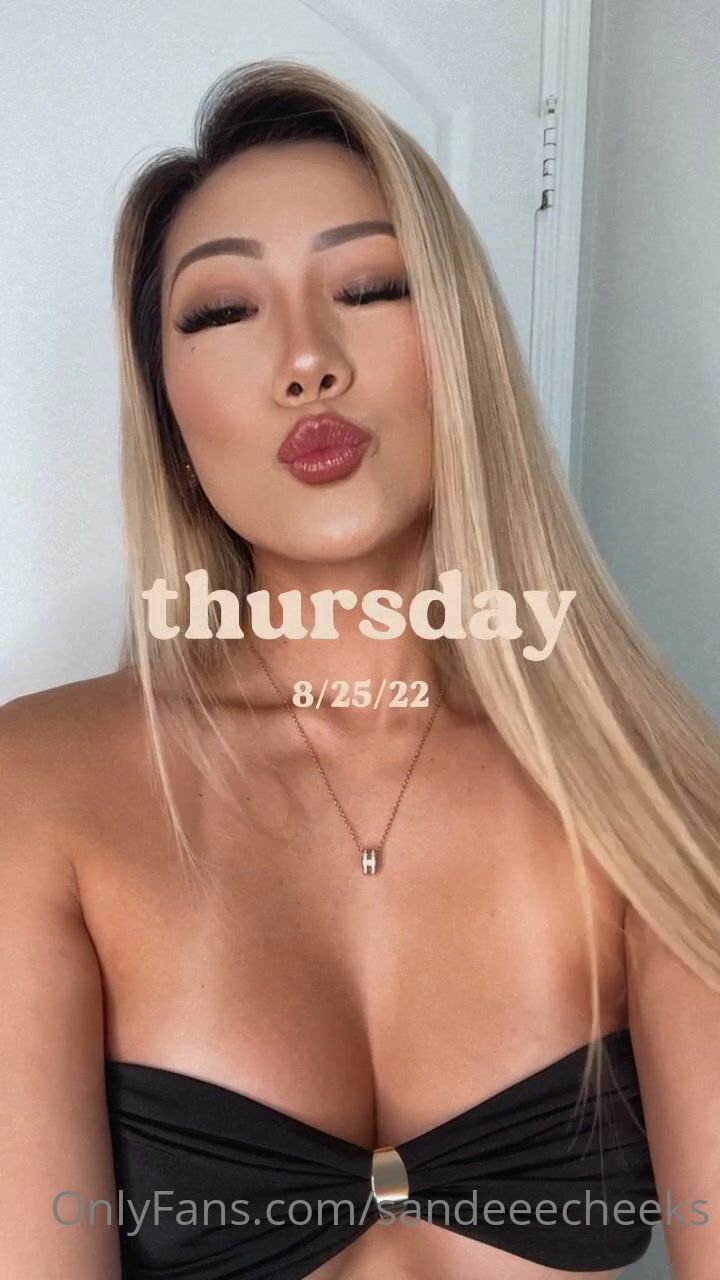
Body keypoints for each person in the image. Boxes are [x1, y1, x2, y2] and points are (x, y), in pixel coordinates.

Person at [2, 57, 719, 1280]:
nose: (306, 361)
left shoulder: (646, 791)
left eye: (372, 286)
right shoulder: (38, 789)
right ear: (169, 412)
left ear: (465, 351)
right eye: (224, 311)